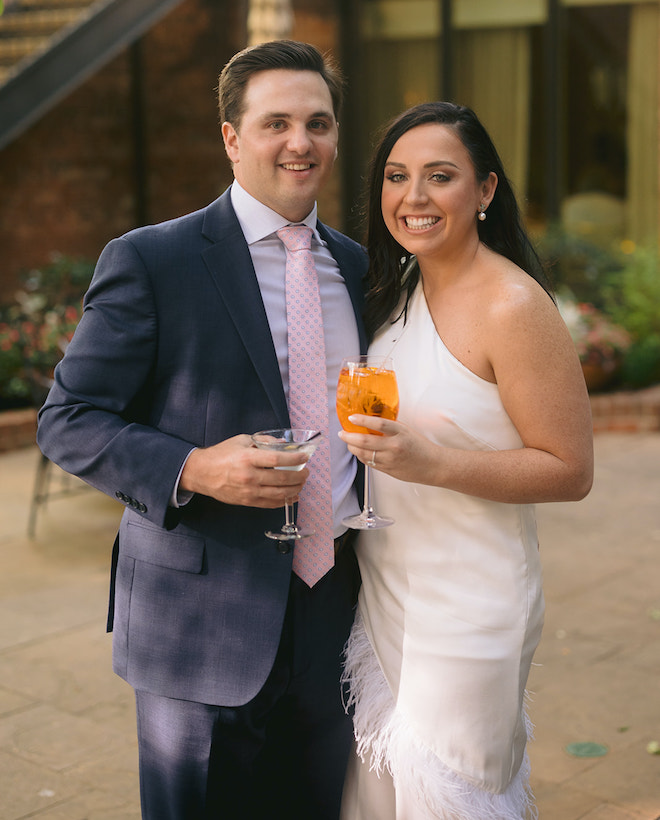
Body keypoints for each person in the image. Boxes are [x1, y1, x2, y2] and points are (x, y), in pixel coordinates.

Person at [37, 39, 367, 820]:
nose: (300, 142)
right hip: (201, 625)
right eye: (276, 122)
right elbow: (67, 419)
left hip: (338, 613)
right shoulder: (153, 260)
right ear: (231, 136)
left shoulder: (359, 267)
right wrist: (193, 467)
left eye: (318, 123)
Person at [338, 102, 594, 819]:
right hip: (386, 591)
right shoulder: (399, 287)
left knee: (450, 797)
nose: (412, 198)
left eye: (439, 176)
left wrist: (433, 463)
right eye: (396, 176)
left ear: (484, 191)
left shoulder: (513, 306)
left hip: (471, 602)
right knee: (379, 796)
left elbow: (571, 470)